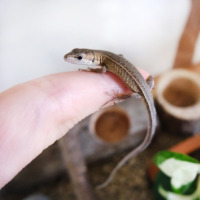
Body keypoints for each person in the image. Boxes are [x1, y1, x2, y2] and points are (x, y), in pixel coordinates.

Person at [0, 69, 149, 188]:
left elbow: (104, 70)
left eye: (78, 58)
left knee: (131, 93)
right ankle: (149, 85)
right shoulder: (105, 63)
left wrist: (120, 97)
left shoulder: (104, 66)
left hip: (138, 89)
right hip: (143, 84)